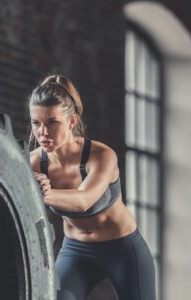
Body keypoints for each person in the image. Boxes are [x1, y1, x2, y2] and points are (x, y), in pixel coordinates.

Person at [28, 74, 156, 300]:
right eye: (36, 123)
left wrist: (45, 192)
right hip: (76, 251)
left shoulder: (101, 156)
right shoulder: (35, 162)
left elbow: (84, 200)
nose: (43, 133)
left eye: (52, 123)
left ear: (72, 121)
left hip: (123, 249)